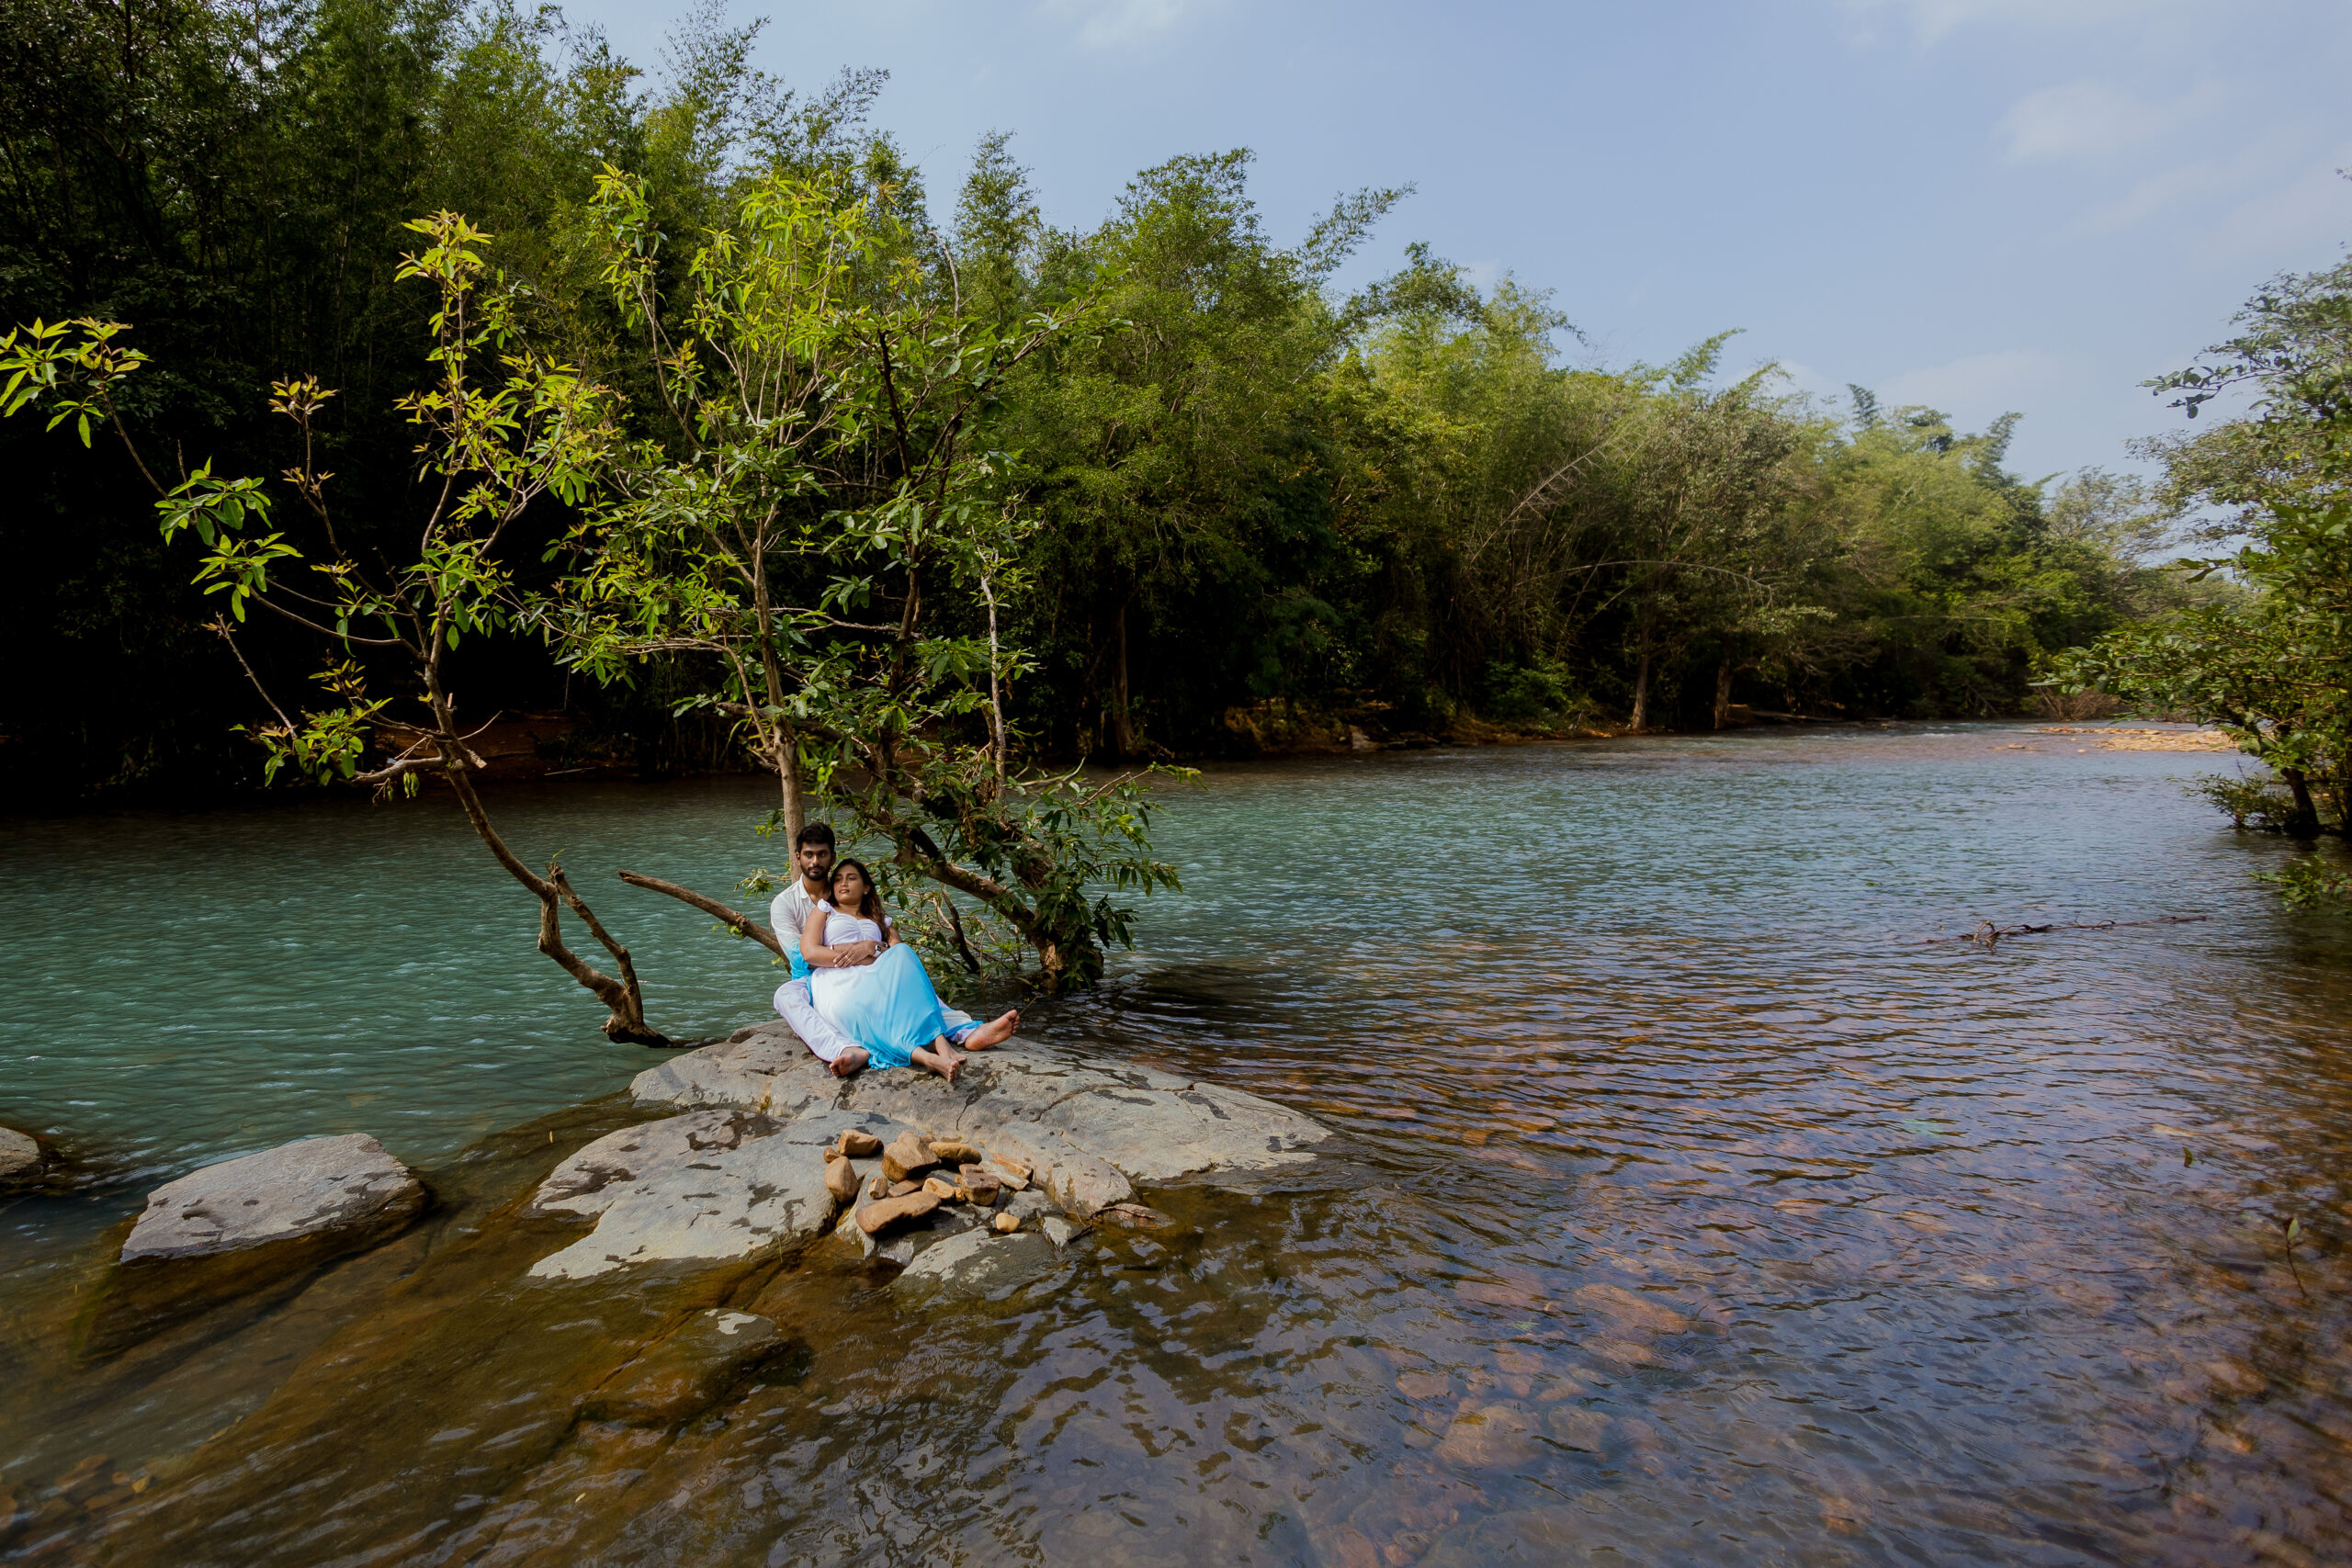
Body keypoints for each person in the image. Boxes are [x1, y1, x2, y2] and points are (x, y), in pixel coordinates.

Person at [767, 823, 1014, 1076]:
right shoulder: (786, 904)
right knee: (786, 996)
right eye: (809, 854)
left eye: (822, 854)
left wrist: (872, 949)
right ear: (798, 857)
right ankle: (845, 1048)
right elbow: (801, 957)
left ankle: (967, 1030)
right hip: (815, 973)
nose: (815, 861)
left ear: (832, 856)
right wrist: (856, 953)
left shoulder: (847, 888)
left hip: (872, 964)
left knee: (907, 977)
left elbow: (887, 938)